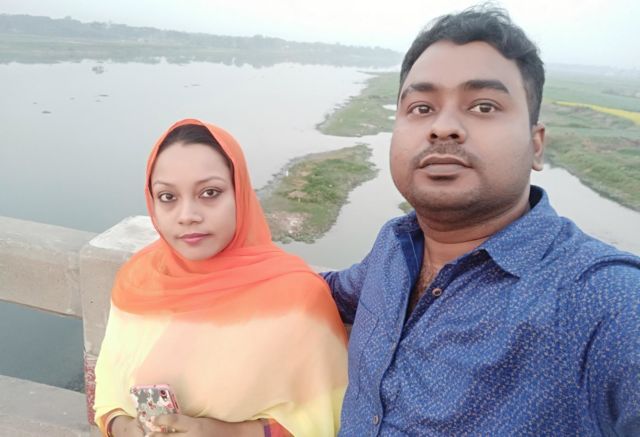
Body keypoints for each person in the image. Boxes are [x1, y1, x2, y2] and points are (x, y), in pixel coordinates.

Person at [322, 6, 640, 436]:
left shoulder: (603, 301)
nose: (443, 127)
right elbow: (325, 291)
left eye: (484, 106)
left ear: (536, 145)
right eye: (421, 107)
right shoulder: (394, 247)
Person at [94, 119, 348, 437]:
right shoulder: (139, 280)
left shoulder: (296, 297)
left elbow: (327, 417)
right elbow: (108, 389)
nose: (187, 215)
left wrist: (222, 432)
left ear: (240, 194)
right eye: (168, 197)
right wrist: (124, 428)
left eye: (210, 193)